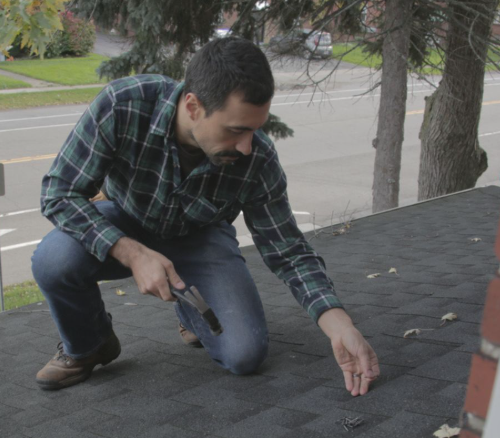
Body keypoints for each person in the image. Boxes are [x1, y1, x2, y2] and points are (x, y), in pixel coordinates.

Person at [32, 37, 380, 395]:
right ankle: (90, 345)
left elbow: (287, 249)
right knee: (53, 260)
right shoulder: (125, 103)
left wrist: (339, 323)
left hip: (200, 237)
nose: (247, 146)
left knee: (244, 355)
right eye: (236, 130)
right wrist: (132, 253)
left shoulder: (256, 157)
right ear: (193, 106)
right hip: (124, 220)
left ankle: (191, 311)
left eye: (255, 129)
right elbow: (59, 193)